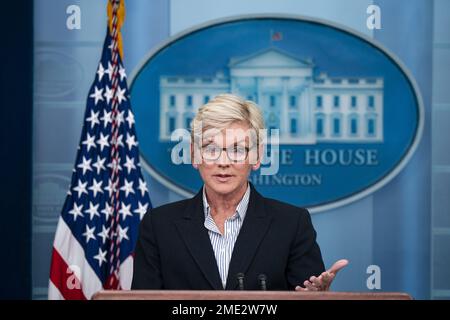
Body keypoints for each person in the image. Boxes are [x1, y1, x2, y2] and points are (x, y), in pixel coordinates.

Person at [131, 93, 348, 291]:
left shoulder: (292, 224)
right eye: (211, 149)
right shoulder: (158, 225)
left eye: (237, 149)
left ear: (257, 156)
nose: (223, 162)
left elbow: (309, 295)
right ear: (194, 154)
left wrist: (319, 297)